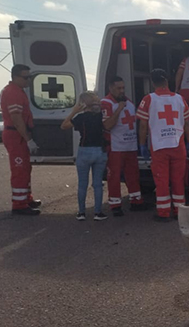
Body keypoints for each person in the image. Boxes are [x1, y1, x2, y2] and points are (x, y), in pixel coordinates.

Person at [137, 69, 189, 222]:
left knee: (161, 180)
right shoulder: (180, 99)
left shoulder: (148, 99)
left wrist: (142, 145)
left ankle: (163, 212)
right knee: (178, 179)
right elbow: (187, 123)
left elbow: (143, 126)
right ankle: (179, 211)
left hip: (159, 146)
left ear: (153, 82)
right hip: (178, 145)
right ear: (167, 81)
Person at [60, 91, 109, 221]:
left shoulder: (80, 118)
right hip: (100, 151)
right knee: (98, 184)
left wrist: (74, 111)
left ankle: (81, 213)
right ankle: (98, 213)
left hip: (84, 151)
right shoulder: (101, 116)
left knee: (82, 184)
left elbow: (64, 126)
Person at [0, 64, 41, 215]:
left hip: (18, 135)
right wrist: (28, 139)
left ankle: (26, 198)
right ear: (15, 77)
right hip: (16, 135)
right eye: (26, 77)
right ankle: (19, 204)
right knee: (19, 169)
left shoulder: (18, 91)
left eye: (29, 77)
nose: (28, 80)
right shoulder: (13, 93)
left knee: (25, 168)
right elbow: (17, 119)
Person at [101, 76, 145, 216]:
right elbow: (107, 125)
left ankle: (136, 201)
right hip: (115, 147)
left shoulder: (128, 102)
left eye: (123, 88)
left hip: (130, 145)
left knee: (133, 175)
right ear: (111, 88)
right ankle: (115, 205)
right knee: (113, 176)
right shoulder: (106, 103)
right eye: (118, 88)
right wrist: (119, 109)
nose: (121, 91)